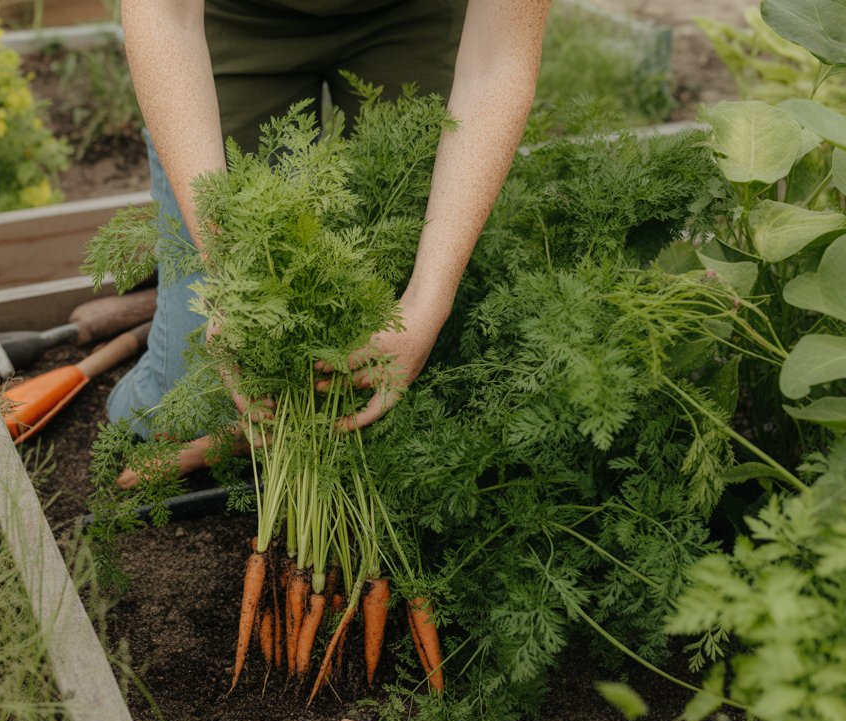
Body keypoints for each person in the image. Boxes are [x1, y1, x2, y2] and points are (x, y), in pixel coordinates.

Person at [108, 0, 550, 465]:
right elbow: (163, 13)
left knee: (409, 372)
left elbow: (499, 57)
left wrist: (426, 303)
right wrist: (228, 277)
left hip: (410, 13)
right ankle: (166, 314)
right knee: (192, 410)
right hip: (236, 16)